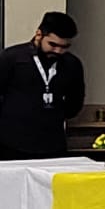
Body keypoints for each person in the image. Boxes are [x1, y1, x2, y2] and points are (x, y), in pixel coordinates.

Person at [0, 12, 86, 161]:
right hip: (11, 144)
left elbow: (75, 100)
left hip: (53, 144)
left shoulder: (71, 64)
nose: (58, 51)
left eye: (65, 47)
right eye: (53, 45)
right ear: (39, 35)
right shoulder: (11, 58)